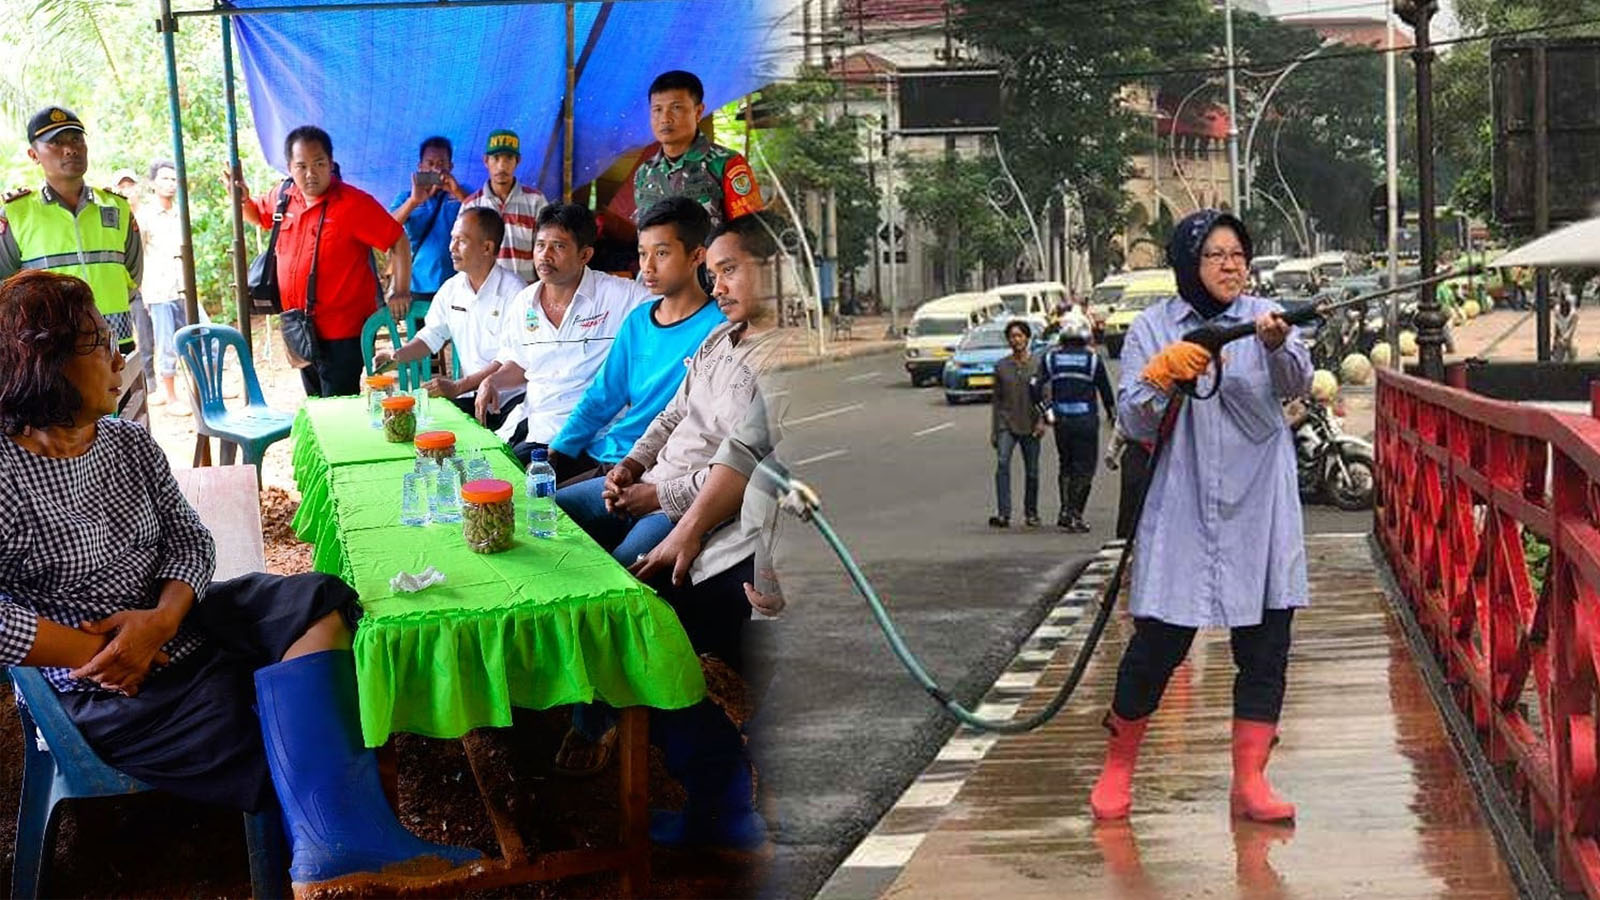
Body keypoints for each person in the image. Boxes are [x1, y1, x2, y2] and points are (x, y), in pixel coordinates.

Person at [0, 270, 482, 892]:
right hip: (114, 688)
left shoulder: (124, 443)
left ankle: (343, 845)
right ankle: (338, 848)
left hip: (177, 624)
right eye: (98, 341)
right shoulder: (8, 473)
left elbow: (190, 539)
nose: (120, 355)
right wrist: (107, 651)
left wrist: (163, 619)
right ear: (47, 362)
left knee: (310, 599)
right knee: (290, 724)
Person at [1089, 209, 1310, 825]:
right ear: (1188, 263)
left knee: (1266, 648)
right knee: (1156, 646)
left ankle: (1250, 781)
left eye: (1238, 253)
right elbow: (1134, 421)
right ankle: (1117, 767)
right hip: (1183, 505)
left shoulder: (1266, 318)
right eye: (1215, 254)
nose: (1231, 264)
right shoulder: (1154, 327)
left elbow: (1298, 381)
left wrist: (1275, 345)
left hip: (1258, 509)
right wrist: (1161, 374)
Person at [548, 196, 725, 482]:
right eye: (643, 254)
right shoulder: (639, 320)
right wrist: (558, 451)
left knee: (550, 513)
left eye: (662, 253)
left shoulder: (719, 327)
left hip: (648, 469)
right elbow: (602, 397)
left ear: (697, 256)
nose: (648, 267)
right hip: (605, 452)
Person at [231, 125, 413, 398]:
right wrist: (243, 199)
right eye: (301, 165)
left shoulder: (354, 203)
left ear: (331, 163)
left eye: (318, 163)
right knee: (316, 403)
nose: (310, 173)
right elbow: (259, 215)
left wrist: (400, 290)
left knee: (338, 408)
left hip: (344, 332)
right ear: (290, 167)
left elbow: (398, 240)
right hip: (299, 326)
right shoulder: (283, 197)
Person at [475, 203, 652, 480]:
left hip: (593, 440)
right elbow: (520, 364)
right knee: (480, 478)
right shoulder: (524, 302)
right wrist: (493, 381)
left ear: (585, 254)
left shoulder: (621, 297)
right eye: (540, 245)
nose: (545, 256)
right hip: (539, 431)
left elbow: (672, 308)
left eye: (558, 246)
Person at [0, 107, 143, 362]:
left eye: (76, 139)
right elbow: (5, 288)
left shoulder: (116, 207)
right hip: (49, 351)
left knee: (126, 404)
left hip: (114, 344)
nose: (70, 149)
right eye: (56, 142)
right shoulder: (15, 213)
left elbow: (133, 276)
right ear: (34, 155)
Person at [372, 207, 525, 428]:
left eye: (461, 240)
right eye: (452, 239)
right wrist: (396, 357)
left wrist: (458, 387)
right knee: (416, 427)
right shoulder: (452, 288)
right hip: (472, 398)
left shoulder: (515, 292)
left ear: (487, 247)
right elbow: (430, 336)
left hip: (512, 401)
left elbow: (509, 359)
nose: (451, 247)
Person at [633, 71, 764, 232]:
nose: (665, 118)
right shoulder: (644, 173)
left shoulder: (726, 164)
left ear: (698, 111)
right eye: (657, 109)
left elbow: (750, 232)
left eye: (676, 108)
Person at [1034, 311, 1115, 532]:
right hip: (1086, 421)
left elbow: (1035, 388)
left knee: (1066, 465)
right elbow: (1106, 391)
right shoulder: (1093, 359)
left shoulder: (1051, 358)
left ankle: (1065, 510)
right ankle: (1076, 514)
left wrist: (1047, 412)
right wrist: (1112, 415)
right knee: (1085, 468)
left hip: (1061, 421)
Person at [460, 130, 547, 284]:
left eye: (509, 158)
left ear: (517, 161)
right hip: (485, 292)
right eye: (496, 158)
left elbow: (544, 250)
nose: (502, 166)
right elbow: (464, 253)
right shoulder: (472, 205)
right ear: (486, 161)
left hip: (525, 291)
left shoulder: (536, 201)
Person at [136, 160, 189, 414]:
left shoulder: (181, 213)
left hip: (184, 288)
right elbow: (137, 254)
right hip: (159, 291)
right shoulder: (145, 216)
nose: (170, 184)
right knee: (166, 345)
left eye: (173, 179)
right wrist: (143, 291)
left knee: (202, 335)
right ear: (153, 183)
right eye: (165, 179)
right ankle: (170, 397)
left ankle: (206, 387)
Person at [389, 136, 462, 308]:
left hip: (455, 284)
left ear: (450, 167)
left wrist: (457, 191)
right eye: (430, 163)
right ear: (420, 167)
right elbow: (387, 228)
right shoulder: (405, 197)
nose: (436, 169)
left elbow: (482, 215)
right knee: (422, 334)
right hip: (416, 287)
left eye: (442, 163)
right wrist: (414, 201)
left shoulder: (460, 194)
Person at [988, 319, 1045, 529]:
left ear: (1027, 339)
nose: (1017, 340)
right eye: (1013, 336)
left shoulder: (1038, 364)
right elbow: (997, 400)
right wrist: (995, 430)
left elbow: (1046, 395)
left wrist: (1042, 422)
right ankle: (1004, 513)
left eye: (1020, 336)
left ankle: (1031, 512)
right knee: (1002, 463)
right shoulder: (1002, 366)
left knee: (1032, 470)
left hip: (1031, 424)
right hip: (1006, 423)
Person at [1554, 297, 1578, 362]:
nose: (1564, 312)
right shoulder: (1557, 311)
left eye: (1565, 311)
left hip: (1571, 336)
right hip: (1561, 334)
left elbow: (1572, 328)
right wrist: (1556, 339)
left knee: (1573, 354)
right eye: (1562, 310)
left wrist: (1566, 339)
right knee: (1558, 357)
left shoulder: (1574, 314)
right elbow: (1556, 326)